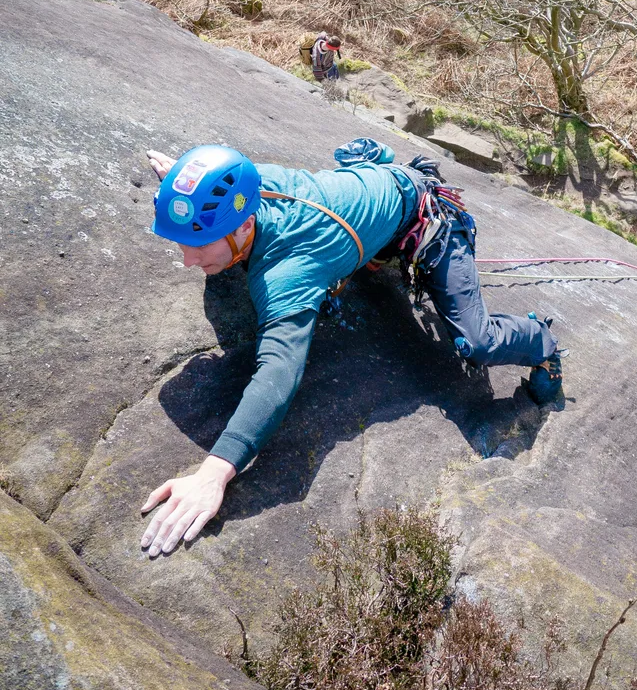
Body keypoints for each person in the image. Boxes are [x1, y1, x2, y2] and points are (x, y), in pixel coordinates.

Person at [139, 140, 561, 557]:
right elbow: (224, 181)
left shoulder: (287, 272)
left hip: (423, 215)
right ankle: (371, 183)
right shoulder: (251, 184)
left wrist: (215, 471)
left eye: (198, 244)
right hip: (365, 198)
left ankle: (541, 342)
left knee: (477, 342)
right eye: (184, 244)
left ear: (245, 225)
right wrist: (187, 184)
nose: (187, 261)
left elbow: (278, 375)